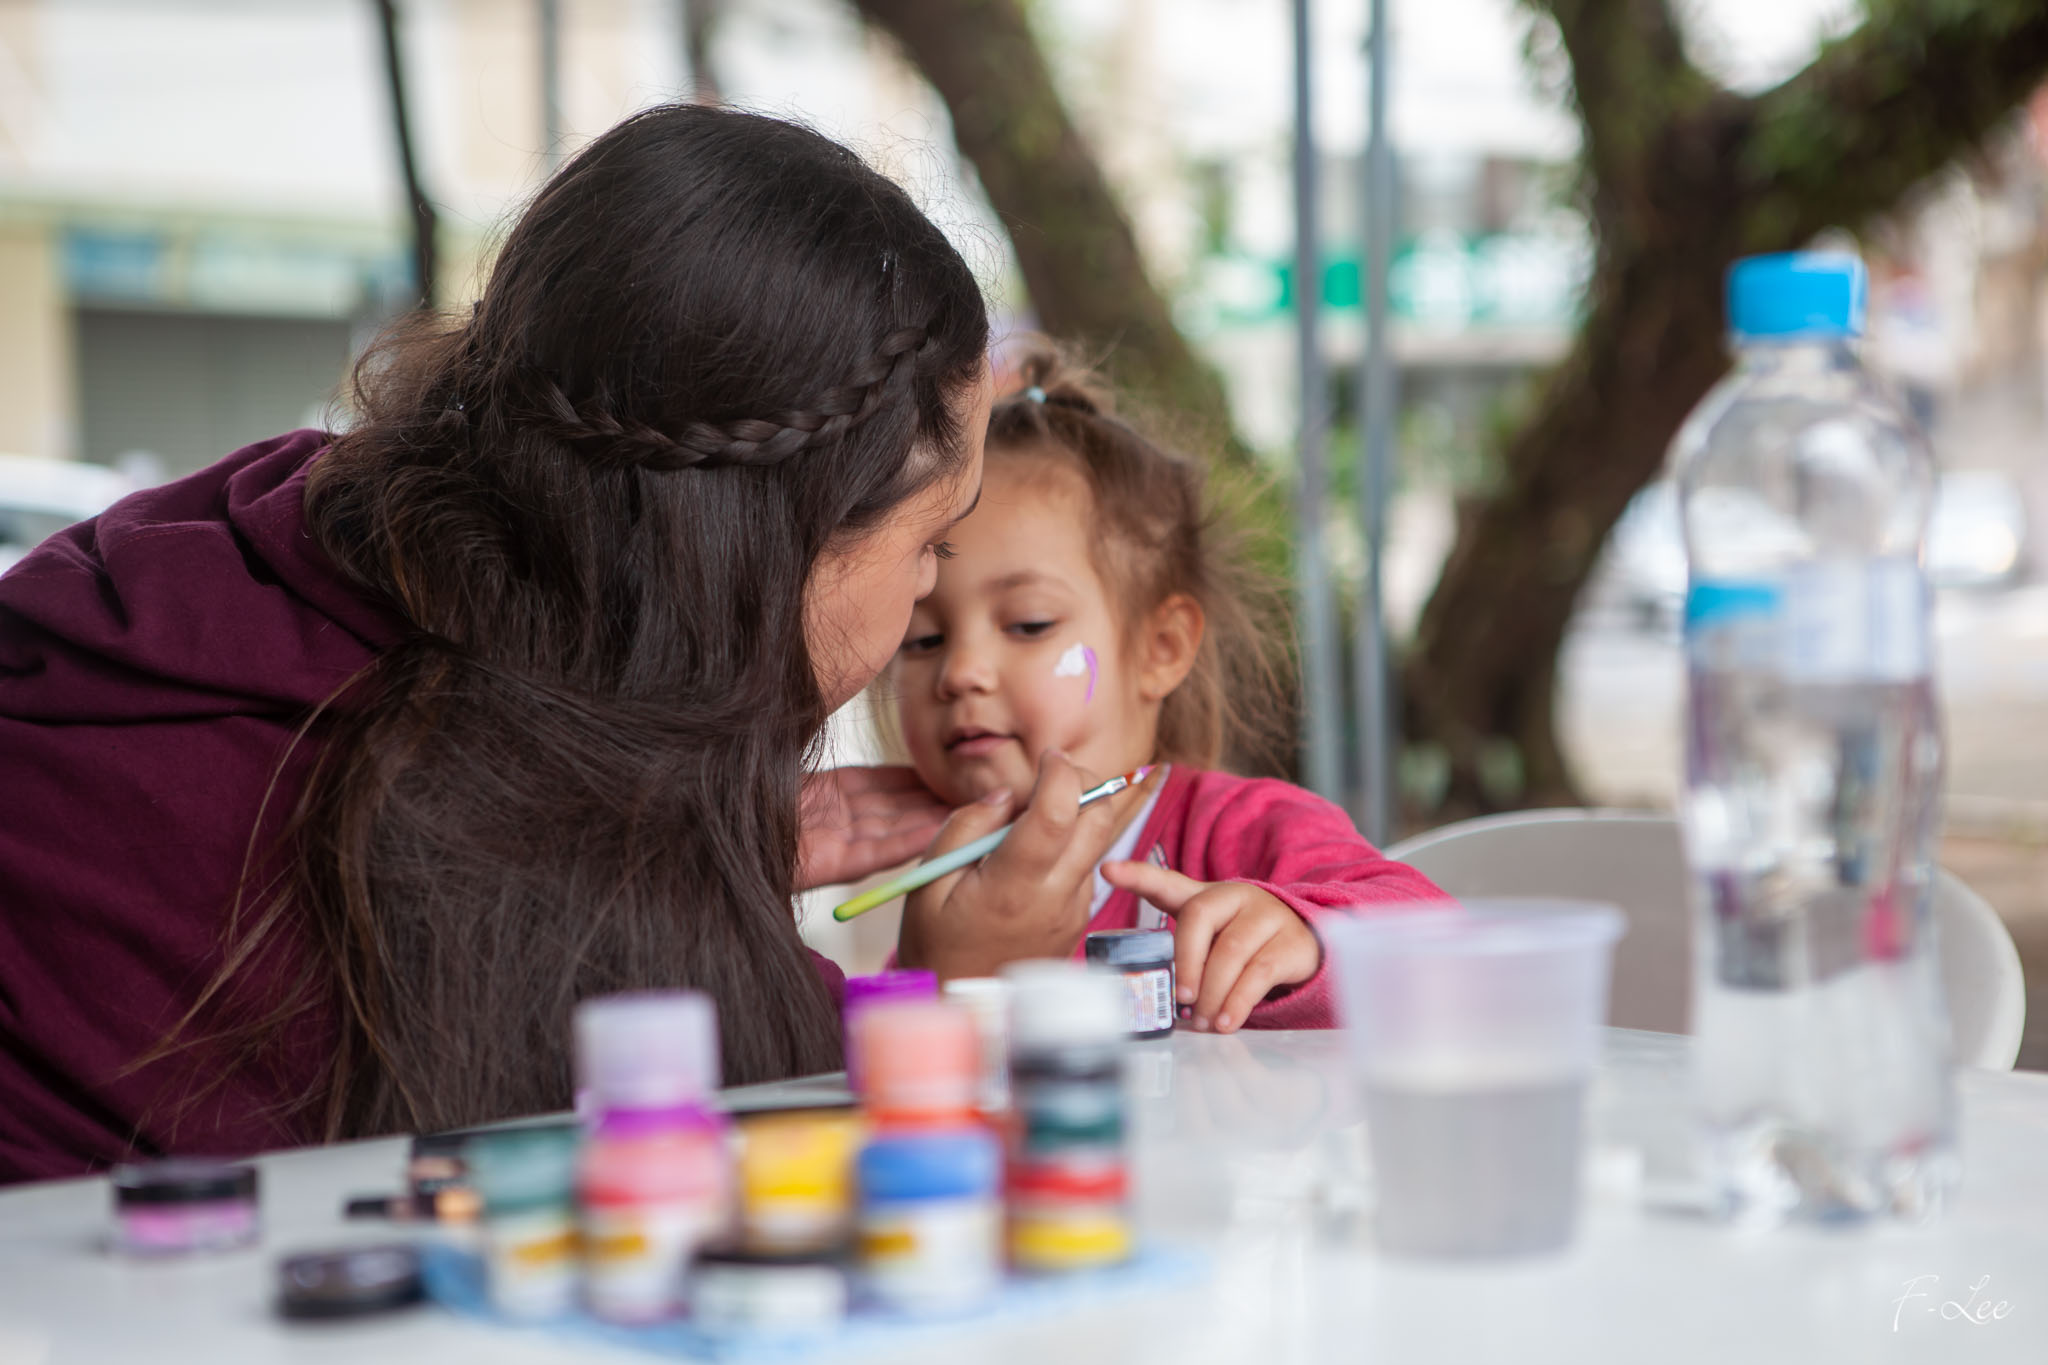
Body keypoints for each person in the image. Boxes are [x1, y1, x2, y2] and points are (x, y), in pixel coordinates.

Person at [0, 107, 1134, 1184]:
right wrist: (965, 987)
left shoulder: (269, 535)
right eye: (931, 545)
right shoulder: (509, 858)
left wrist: (708, 855)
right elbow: (753, 1199)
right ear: (774, 551)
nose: (929, 601)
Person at [888, 351, 1445, 1031]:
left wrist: (1304, 934)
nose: (961, 671)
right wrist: (943, 971)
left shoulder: (1237, 828)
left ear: (1162, 648)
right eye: (921, 638)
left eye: (1028, 623)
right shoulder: (943, 895)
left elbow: (1435, 934)